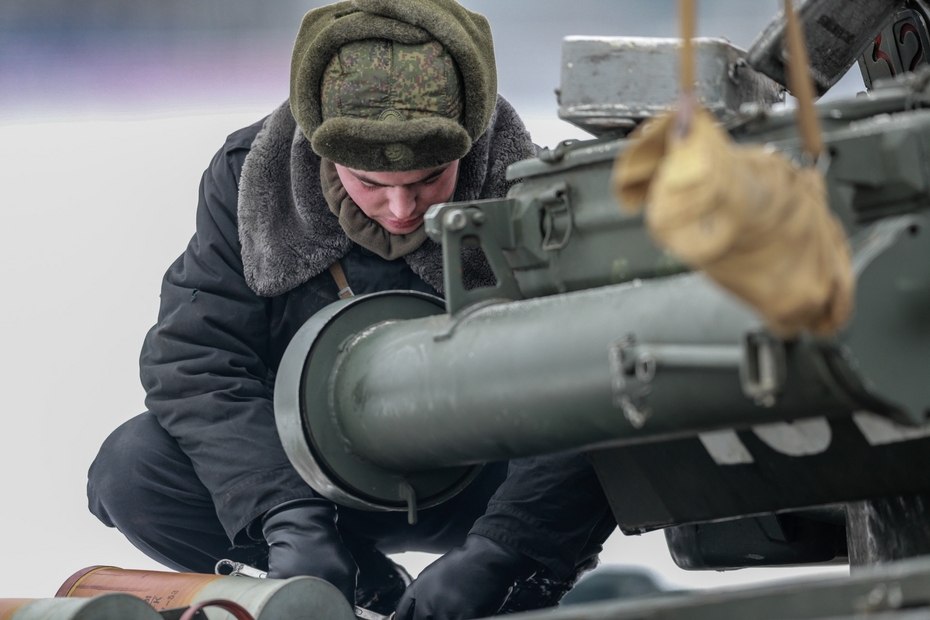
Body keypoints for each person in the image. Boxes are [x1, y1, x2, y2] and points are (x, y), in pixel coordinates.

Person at [86, 1, 617, 618]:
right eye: (371, 184)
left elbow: (596, 379)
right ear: (322, 153)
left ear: (468, 147)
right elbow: (195, 360)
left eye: (428, 180)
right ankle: (358, 584)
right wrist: (285, 517)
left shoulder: (536, 190)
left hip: (490, 476)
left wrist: (502, 550)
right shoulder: (251, 183)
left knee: (629, 429)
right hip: (311, 478)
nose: (400, 210)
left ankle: (495, 584)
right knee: (132, 470)